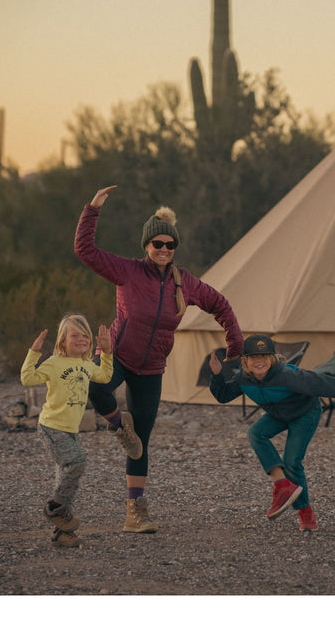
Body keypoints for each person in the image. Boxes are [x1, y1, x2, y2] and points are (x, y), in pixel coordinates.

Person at [75, 185, 244, 533]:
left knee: (142, 444)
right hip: (117, 356)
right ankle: (118, 425)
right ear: (147, 246)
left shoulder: (185, 284)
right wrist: (92, 209)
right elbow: (85, 250)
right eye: (158, 244)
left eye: (170, 245)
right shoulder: (127, 271)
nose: (164, 250)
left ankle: (134, 511)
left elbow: (221, 305)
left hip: (151, 368)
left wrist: (235, 344)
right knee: (92, 384)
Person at [208, 333, 335, 532]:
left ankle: (305, 511)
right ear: (245, 361)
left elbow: (321, 383)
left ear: (272, 358)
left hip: (305, 413)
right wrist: (216, 375)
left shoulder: (286, 376)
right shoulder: (243, 379)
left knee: (292, 462)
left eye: (264, 356)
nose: (259, 361)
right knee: (255, 433)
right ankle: (282, 485)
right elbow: (223, 396)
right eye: (254, 357)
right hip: (279, 413)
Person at [21, 313, 114, 547]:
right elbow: (27, 379)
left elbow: (105, 376)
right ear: (63, 341)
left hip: (71, 429)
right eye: (74, 335)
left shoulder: (86, 364)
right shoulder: (53, 363)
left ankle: (62, 533)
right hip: (51, 426)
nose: (81, 339)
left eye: (85, 335)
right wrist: (34, 352)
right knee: (77, 462)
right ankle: (54, 508)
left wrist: (107, 352)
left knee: (67, 479)